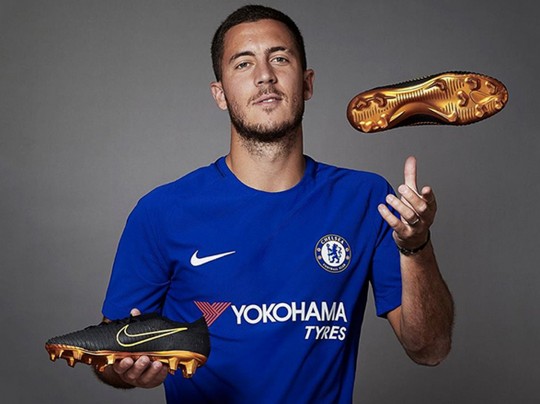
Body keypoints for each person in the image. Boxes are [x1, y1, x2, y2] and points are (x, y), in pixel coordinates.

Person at [96, 4, 454, 403]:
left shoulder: (366, 199)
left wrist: (416, 247)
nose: (264, 75)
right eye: (243, 64)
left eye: (280, 58)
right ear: (220, 94)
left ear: (307, 83)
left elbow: (430, 349)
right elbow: (111, 355)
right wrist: (128, 369)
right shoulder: (162, 212)